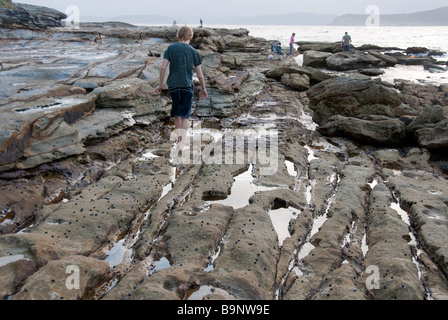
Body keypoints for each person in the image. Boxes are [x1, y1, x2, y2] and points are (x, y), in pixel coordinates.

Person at [155, 26, 208, 152]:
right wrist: (203, 88)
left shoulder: (171, 48)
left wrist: (160, 85)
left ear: (178, 35)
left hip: (173, 85)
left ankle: (179, 142)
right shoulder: (193, 52)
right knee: (185, 115)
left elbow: (163, 68)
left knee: (177, 114)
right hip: (186, 85)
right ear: (190, 36)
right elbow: (200, 74)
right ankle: (181, 145)